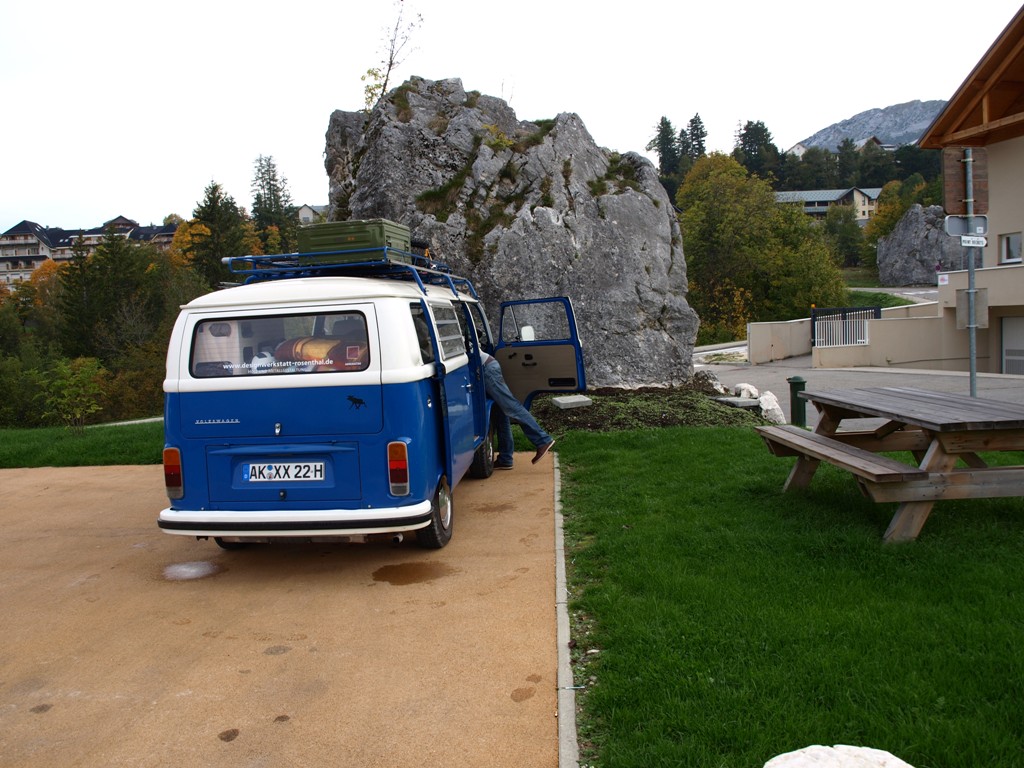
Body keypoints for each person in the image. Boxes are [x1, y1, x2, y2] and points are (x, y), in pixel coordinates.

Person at [481, 351, 555, 469]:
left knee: (512, 407)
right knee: (501, 414)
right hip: (487, 367)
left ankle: (543, 440)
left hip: (486, 369)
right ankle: (505, 458)